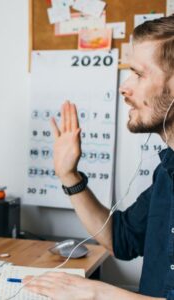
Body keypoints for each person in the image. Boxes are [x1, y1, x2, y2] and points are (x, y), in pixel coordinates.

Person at [24, 15, 174, 299]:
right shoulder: (167, 170)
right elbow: (121, 239)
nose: (124, 87)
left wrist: (95, 294)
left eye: (139, 74)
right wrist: (69, 176)